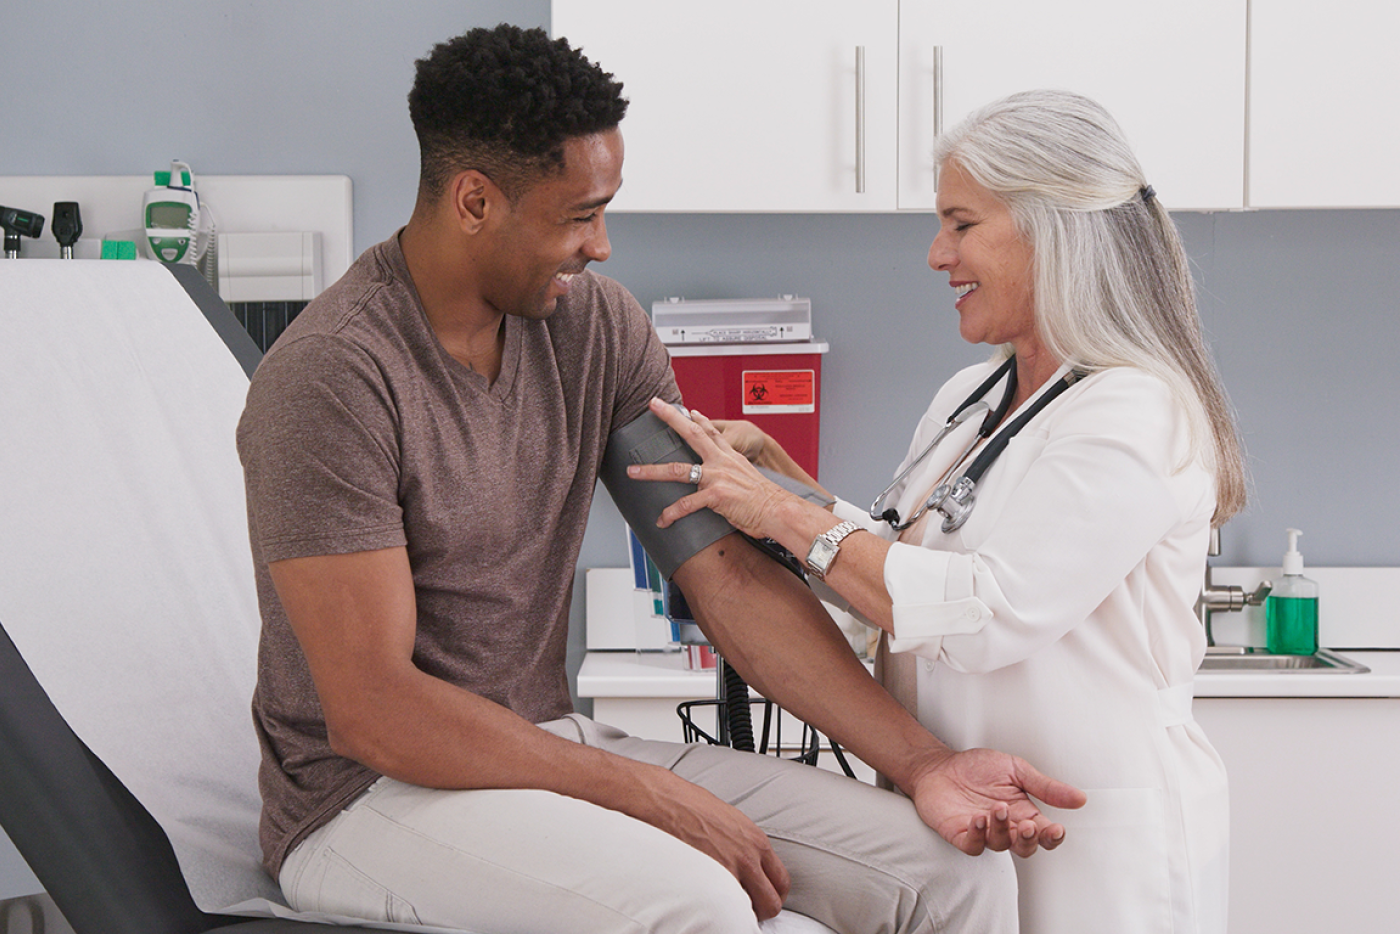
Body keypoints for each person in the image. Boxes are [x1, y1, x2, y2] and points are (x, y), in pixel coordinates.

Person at [236, 27, 1088, 934]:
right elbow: (373, 712)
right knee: (696, 903)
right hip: (365, 802)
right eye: (576, 215)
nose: (601, 246)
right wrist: (643, 793)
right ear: (475, 201)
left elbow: (721, 571)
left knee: (950, 876)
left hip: (541, 746)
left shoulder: (595, 329)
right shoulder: (331, 378)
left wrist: (923, 767)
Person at [631, 89, 1242, 934]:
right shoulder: (974, 396)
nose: (934, 254)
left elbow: (987, 609)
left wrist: (781, 512)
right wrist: (787, 483)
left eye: (961, 224)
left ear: (1050, 228)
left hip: (1097, 830)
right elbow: (898, 566)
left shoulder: (1136, 409)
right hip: (970, 814)